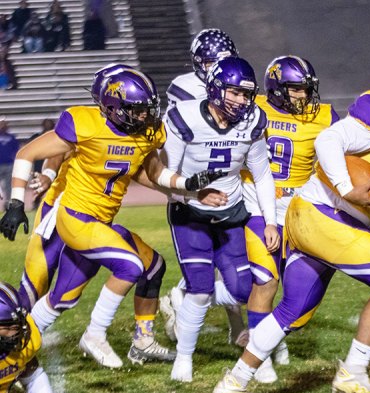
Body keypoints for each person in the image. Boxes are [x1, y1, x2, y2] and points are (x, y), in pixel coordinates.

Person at [211, 56, 370, 393]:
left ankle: (234, 383)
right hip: (322, 213)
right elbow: (329, 140)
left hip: (325, 219)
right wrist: (346, 186)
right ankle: (354, 372)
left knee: (295, 310)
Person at [0, 68, 221, 369]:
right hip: (72, 215)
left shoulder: (145, 132)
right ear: (115, 107)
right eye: (138, 109)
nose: (145, 116)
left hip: (99, 223)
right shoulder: (85, 124)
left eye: (147, 108)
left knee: (78, 292)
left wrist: (189, 188)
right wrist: (16, 201)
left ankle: (140, 341)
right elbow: (29, 153)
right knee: (123, 266)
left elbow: (149, 172)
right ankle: (94, 333)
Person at [210, 55, 340, 383]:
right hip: (258, 207)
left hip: (300, 211)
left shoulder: (324, 116)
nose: (303, 96)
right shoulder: (253, 110)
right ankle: (258, 352)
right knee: (266, 281)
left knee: (297, 288)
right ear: (278, 88)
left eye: (306, 89)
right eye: (296, 89)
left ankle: (208, 300)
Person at [163, 56, 278, 382]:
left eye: (247, 94)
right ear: (215, 89)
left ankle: (181, 300)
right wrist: (194, 194)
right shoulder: (183, 117)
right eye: (235, 93)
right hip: (190, 213)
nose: (243, 101)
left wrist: (269, 221)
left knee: (243, 290)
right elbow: (164, 175)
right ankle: (184, 359)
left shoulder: (253, 120)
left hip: (231, 213)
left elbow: (261, 173)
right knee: (200, 288)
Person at [160, 28, 248, 347]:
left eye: (224, 61)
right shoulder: (185, 88)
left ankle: (234, 323)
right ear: (199, 63)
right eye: (212, 61)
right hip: (193, 182)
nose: (217, 68)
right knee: (209, 259)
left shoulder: (237, 83)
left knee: (232, 261)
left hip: (227, 178)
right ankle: (187, 297)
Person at [0, 281, 79, 393]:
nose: (16, 333)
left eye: (18, 324)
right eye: (8, 326)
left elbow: (32, 376)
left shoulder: (25, 339)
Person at [0, 117, 20, 210]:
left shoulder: (12, 137)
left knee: (9, 186)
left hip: (9, 165)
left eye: (4, 124)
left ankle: (8, 204)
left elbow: (16, 150)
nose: (2, 126)